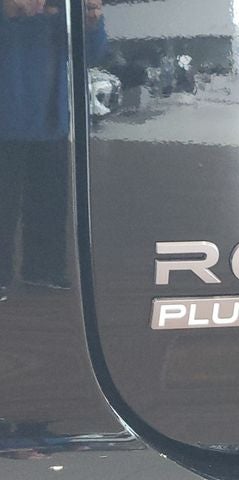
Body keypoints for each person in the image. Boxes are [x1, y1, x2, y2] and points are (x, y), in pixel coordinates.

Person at [0, 0, 106, 301]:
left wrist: (92, 22)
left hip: (52, 119)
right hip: (6, 118)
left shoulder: (65, 8)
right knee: (3, 202)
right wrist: (8, 11)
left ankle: (42, 269)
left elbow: (92, 54)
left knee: (50, 201)